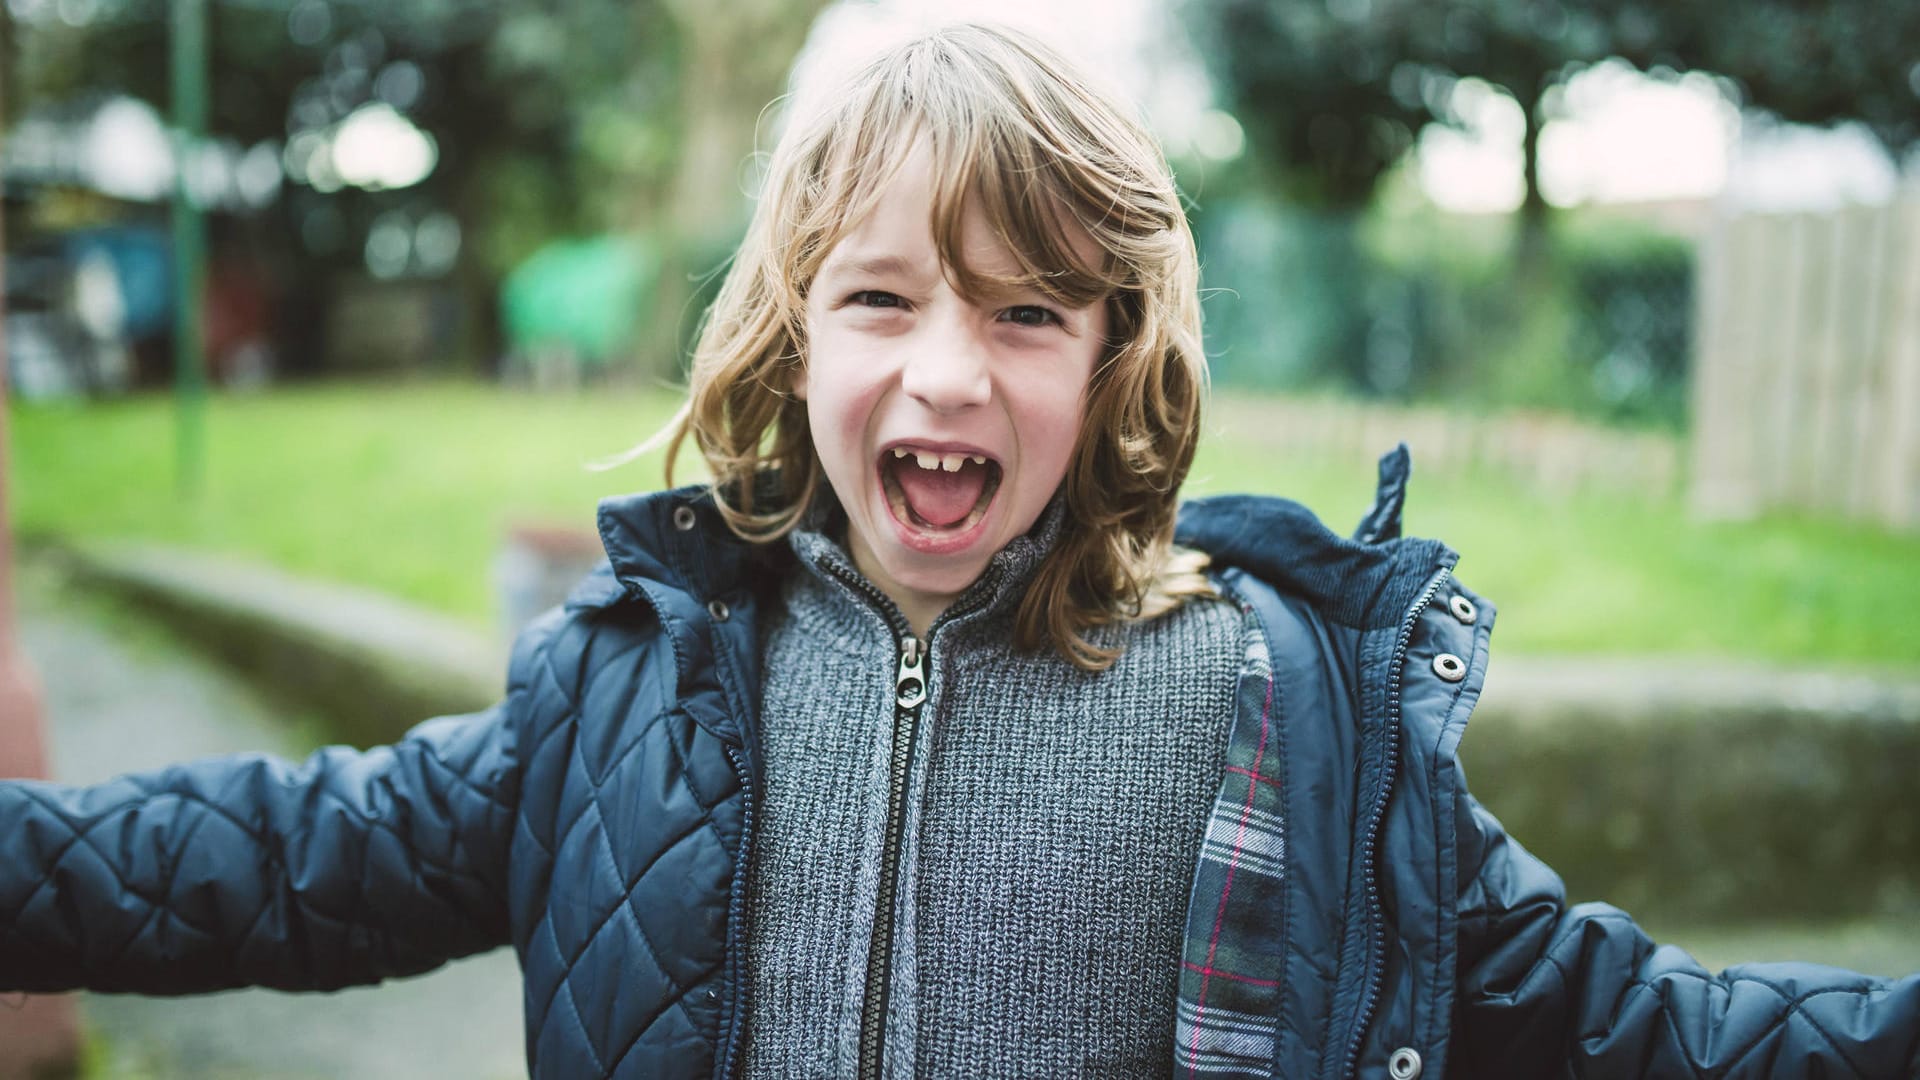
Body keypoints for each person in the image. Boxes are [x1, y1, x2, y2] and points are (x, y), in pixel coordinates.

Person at [2, 21, 1916, 1080]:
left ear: (1114, 362)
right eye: (883, 301)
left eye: (1023, 317)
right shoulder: (640, 684)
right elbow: (267, 862)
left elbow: (1639, 1024)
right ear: (791, 334)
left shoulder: (1272, 713)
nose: (947, 369)